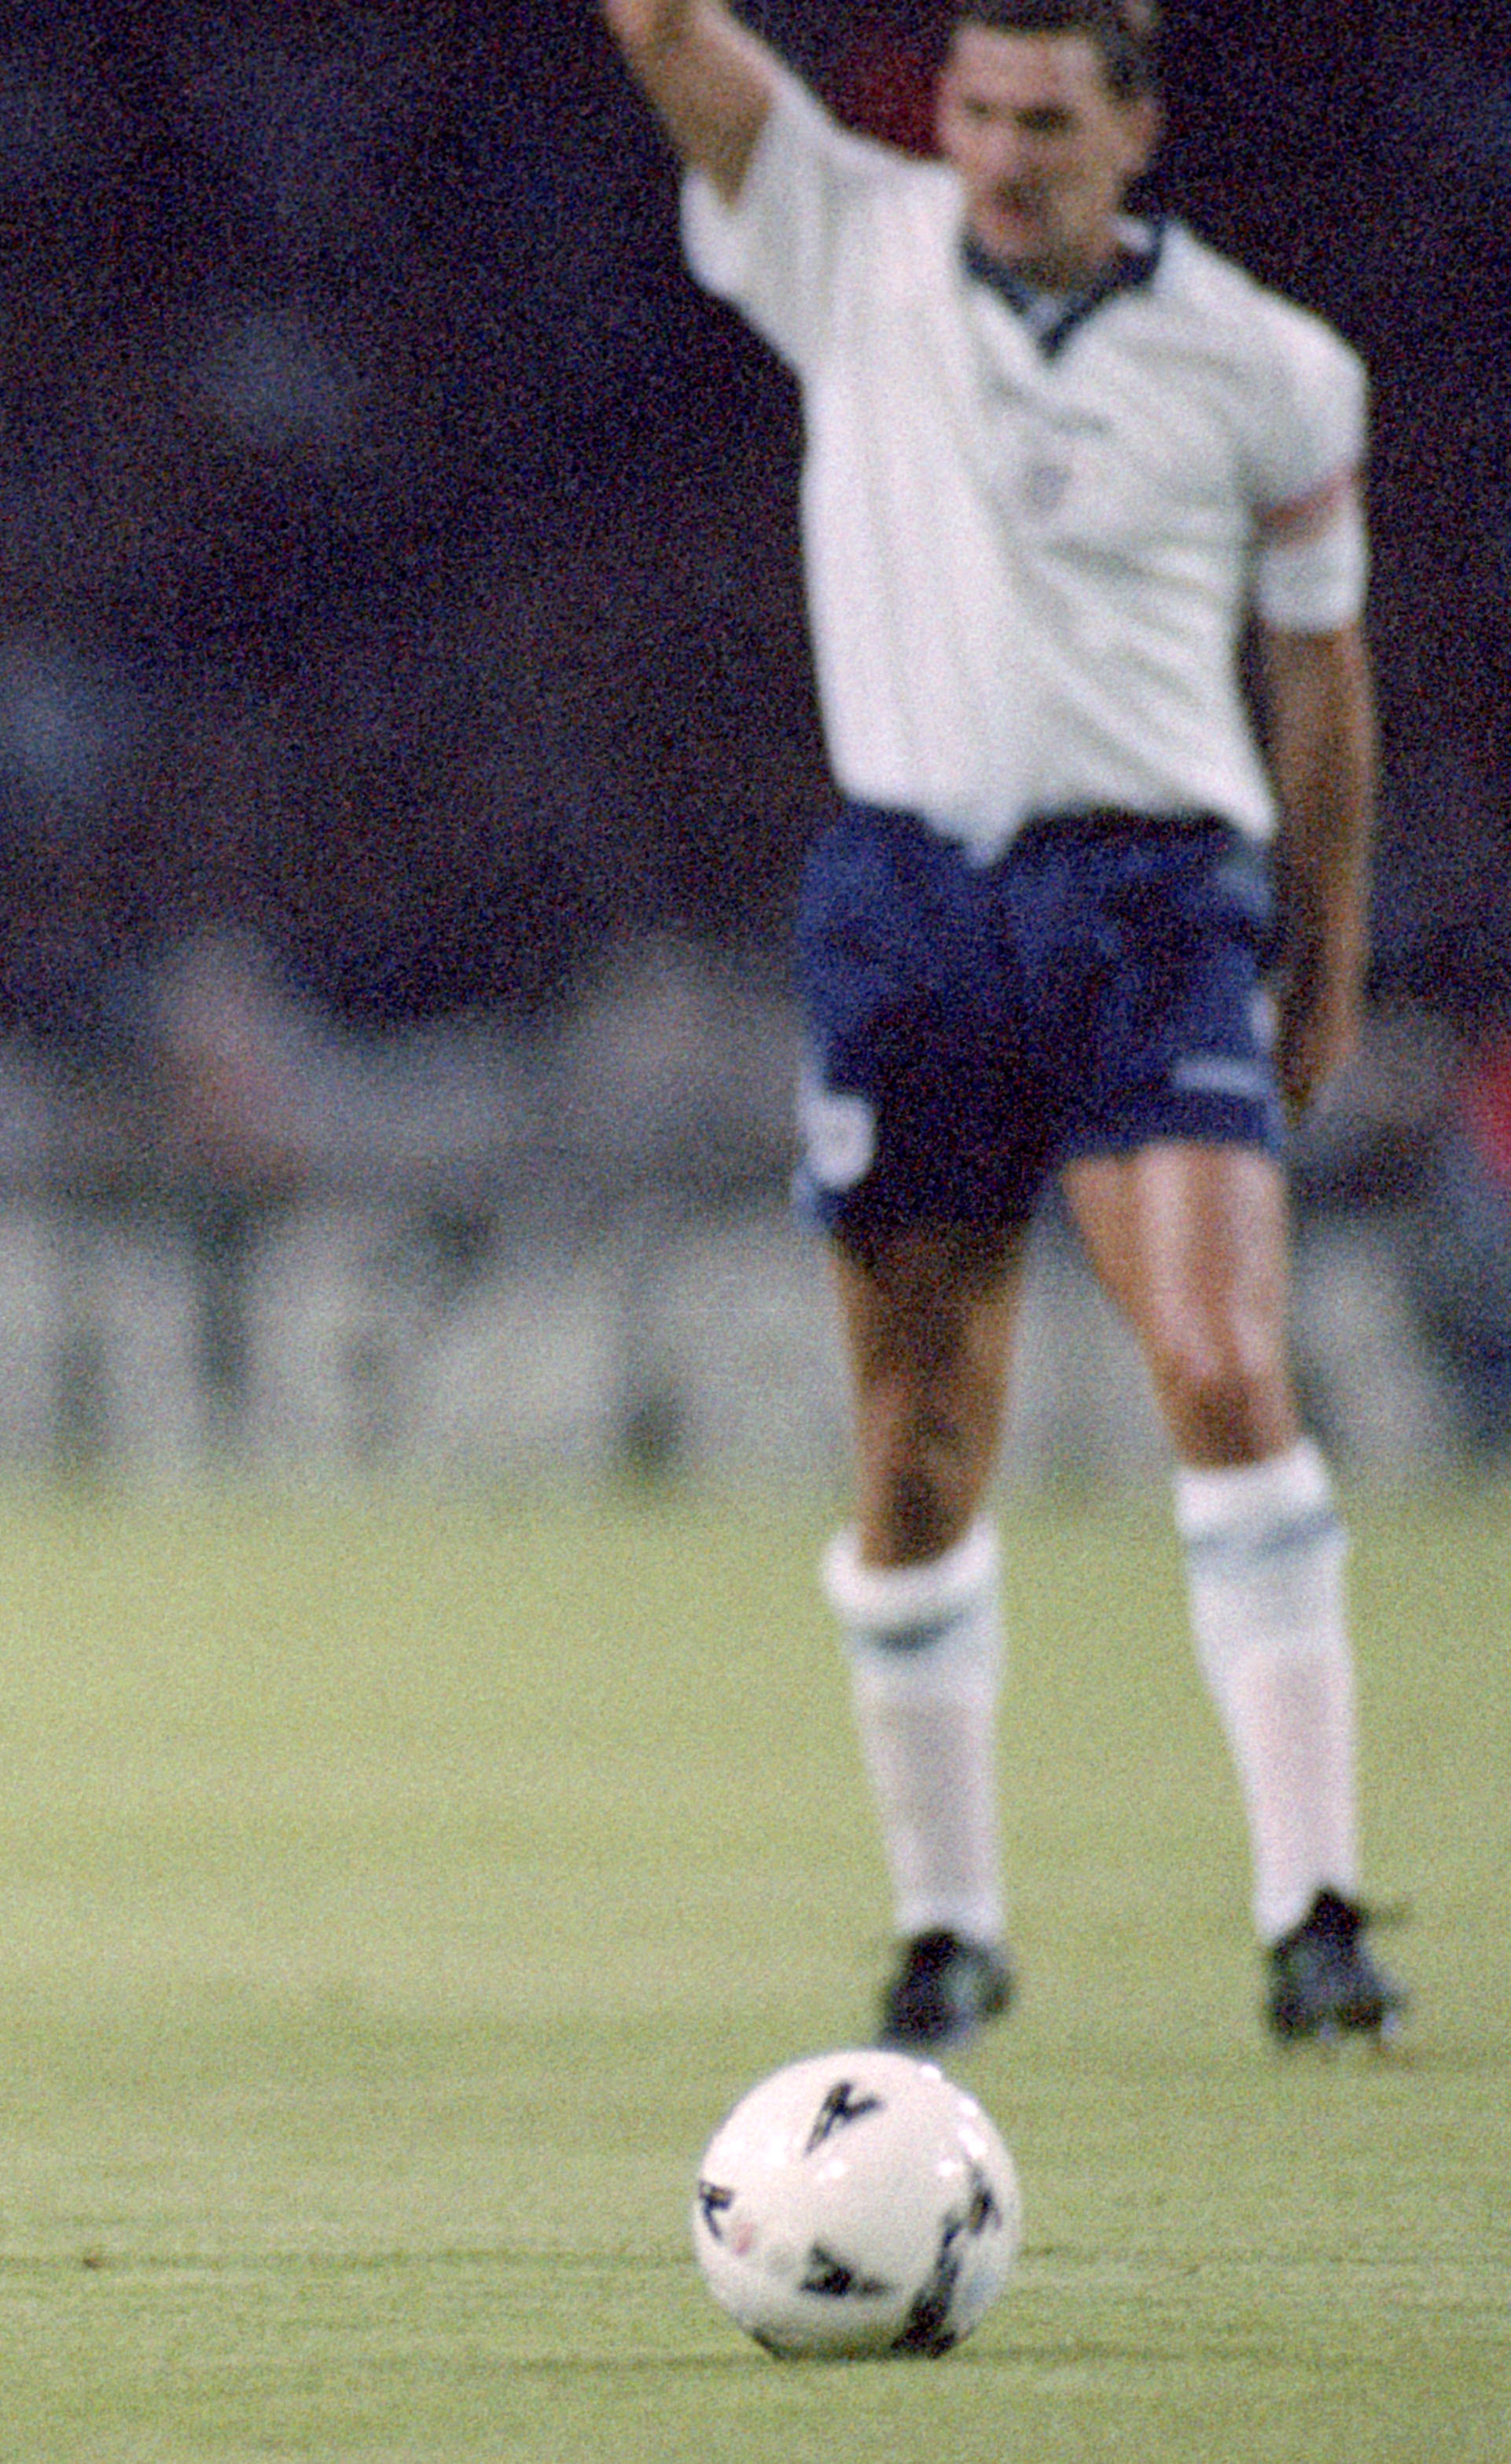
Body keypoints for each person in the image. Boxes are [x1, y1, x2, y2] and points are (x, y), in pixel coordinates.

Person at [599, 0, 1404, 2048]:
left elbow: (1317, 674)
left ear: (1137, 131)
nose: (999, 156)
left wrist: (1321, 948)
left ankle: (1313, 1912)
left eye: (1045, 121)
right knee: (916, 1437)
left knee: (1220, 1364)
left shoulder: (1267, 365)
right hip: (912, 903)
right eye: (972, 111)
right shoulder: (849, 240)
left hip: (1151, 898)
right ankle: (947, 1928)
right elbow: (668, 31)